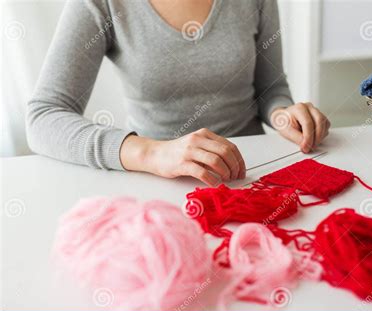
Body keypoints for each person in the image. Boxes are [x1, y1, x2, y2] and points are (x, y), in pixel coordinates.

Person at [27, 0, 330, 186]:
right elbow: (43, 117)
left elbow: (270, 88)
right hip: (159, 181)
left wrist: (283, 115)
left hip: (249, 172)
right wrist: (153, 152)